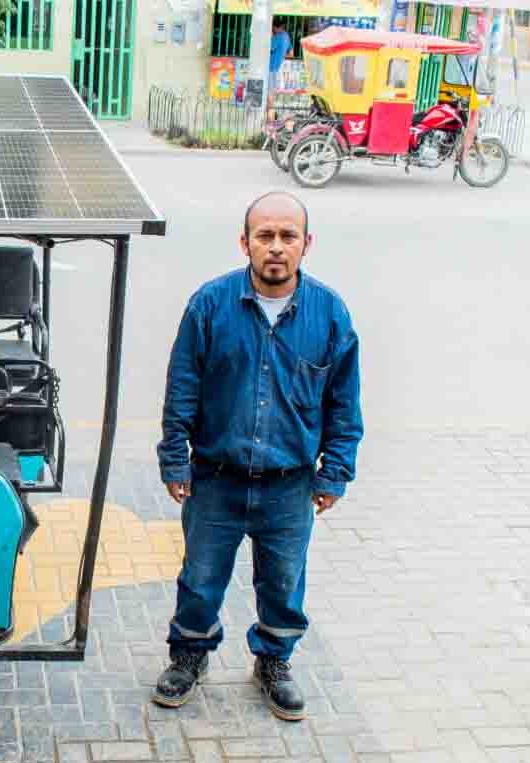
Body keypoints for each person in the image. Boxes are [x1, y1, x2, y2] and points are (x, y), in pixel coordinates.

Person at [153, 192, 363, 721]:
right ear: (245, 242)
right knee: (200, 578)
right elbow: (182, 388)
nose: (276, 247)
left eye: (288, 236)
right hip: (215, 480)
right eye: (264, 236)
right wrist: (175, 460)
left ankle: (274, 662)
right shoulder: (210, 305)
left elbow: (344, 402)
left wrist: (334, 473)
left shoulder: (330, 314)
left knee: (283, 582)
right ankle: (189, 656)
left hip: (290, 486)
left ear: (306, 244)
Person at [269, 20, 293, 98]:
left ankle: (269, 110)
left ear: (276, 27)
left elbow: (270, 48)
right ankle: (270, 109)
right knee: (274, 91)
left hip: (271, 67)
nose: (273, 30)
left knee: (269, 92)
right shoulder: (287, 36)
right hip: (280, 68)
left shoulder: (278, 36)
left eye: (273, 28)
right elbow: (291, 54)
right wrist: (281, 55)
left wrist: (271, 36)